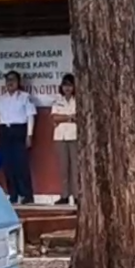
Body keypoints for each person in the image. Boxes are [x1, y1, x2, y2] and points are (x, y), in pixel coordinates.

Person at [0, 71, 36, 205]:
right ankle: (13, 194)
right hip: (4, 131)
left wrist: (29, 135)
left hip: (19, 131)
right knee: (8, 166)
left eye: (13, 80)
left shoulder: (25, 97)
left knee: (21, 165)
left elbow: (30, 116)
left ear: (18, 82)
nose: (10, 83)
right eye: (8, 80)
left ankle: (27, 195)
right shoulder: (2, 99)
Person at [50, 75, 77, 205]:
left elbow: (80, 117)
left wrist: (65, 118)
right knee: (63, 168)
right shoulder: (57, 100)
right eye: (65, 85)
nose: (67, 88)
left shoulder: (78, 100)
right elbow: (55, 118)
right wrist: (70, 118)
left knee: (75, 168)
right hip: (60, 136)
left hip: (75, 136)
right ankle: (65, 195)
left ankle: (77, 196)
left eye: (70, 85)